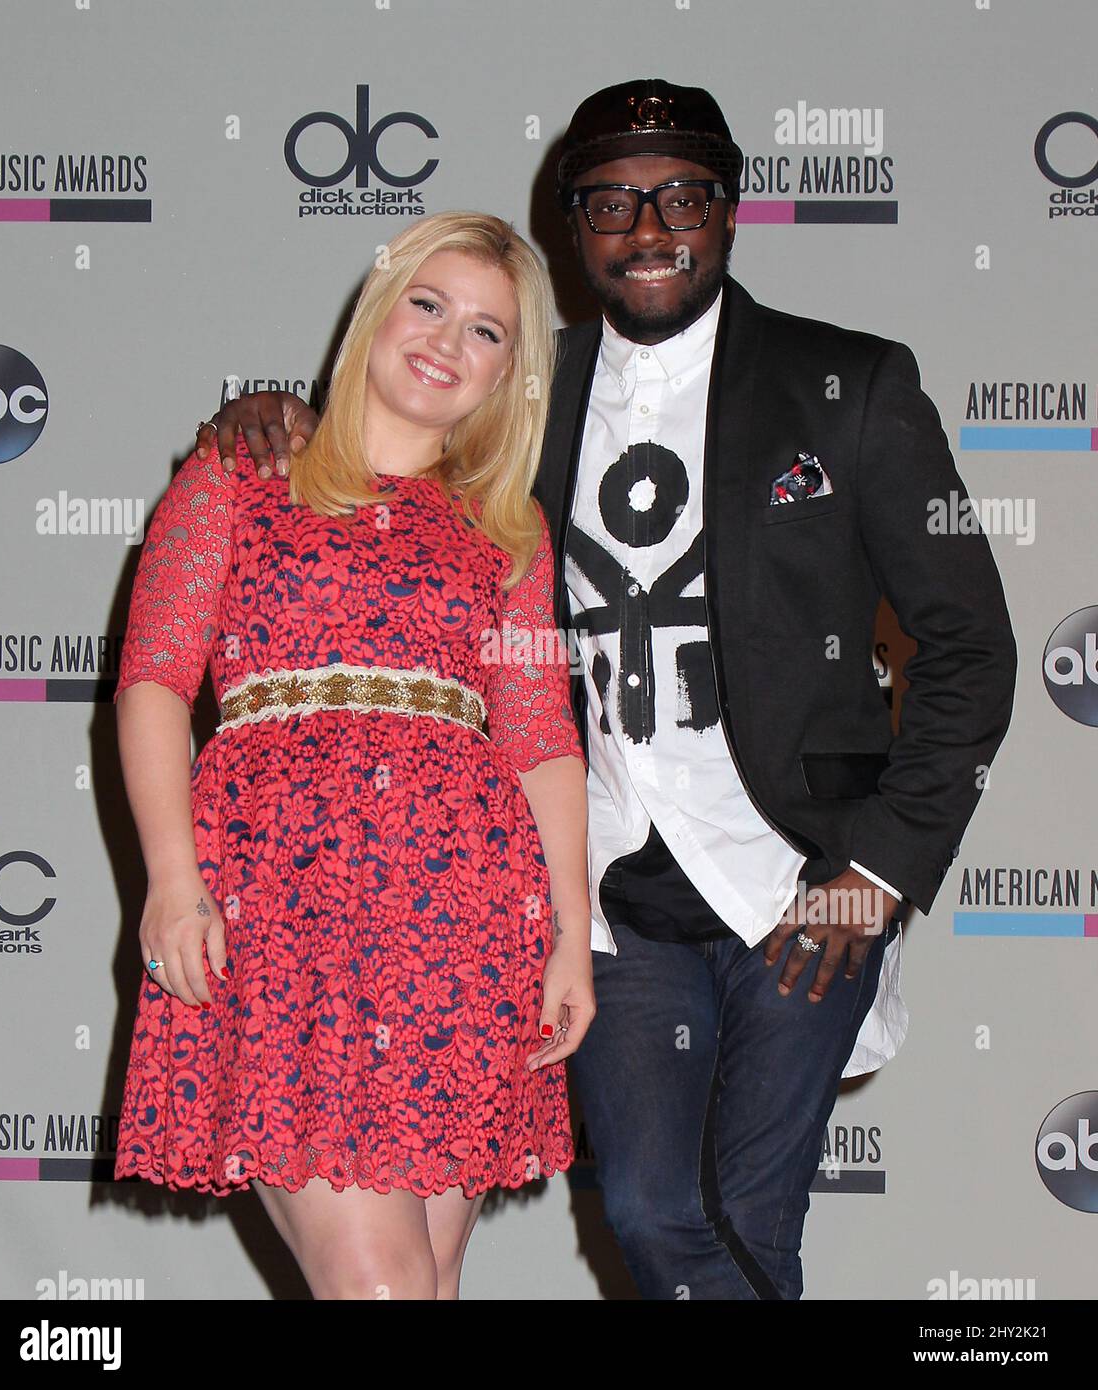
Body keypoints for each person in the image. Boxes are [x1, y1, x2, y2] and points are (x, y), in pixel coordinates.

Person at [197, 80, 1017, 1300]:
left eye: (679, 196)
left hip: (806, 886)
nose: (648, 228)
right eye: (612, 204)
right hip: (608, 894)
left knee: (740, 1211)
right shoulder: (526, 398)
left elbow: (973, 645)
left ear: (731, 213)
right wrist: (269, 415)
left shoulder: (850, 385)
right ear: (575, 230)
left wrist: (879, 872)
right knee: (642, 1205)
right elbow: (391, 456)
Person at [113, 211, 594, 1301]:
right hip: (285, 908)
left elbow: (539, 738)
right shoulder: (236, 475)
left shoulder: (506, 524)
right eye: (429, 304)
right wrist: (173, 881)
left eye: (487, 332)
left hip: (463, 914)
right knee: (380, 1286)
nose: (445, 341)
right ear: (380, 310)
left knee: (426, 1276)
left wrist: (571, 934)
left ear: (511, 376)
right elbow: (151, 683)